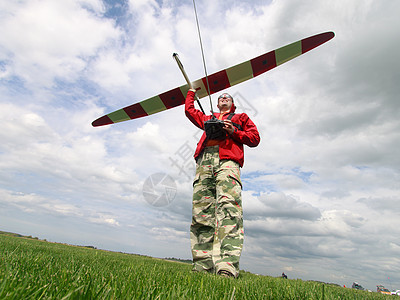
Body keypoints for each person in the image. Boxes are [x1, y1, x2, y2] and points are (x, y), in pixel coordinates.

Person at [185, 88, 260, 278]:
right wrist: (191, 93)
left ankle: (227, 264)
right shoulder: (209, 118)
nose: (223, 98)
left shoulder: (240, 117)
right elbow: (190, 111)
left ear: (232, 103)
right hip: (205, 161)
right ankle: (202, 264)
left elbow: (254, 138)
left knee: (229, 208)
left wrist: (234, 131)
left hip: (227, 161)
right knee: (201, 211)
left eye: (227, 97)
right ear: (217, 104)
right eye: (220, 98)